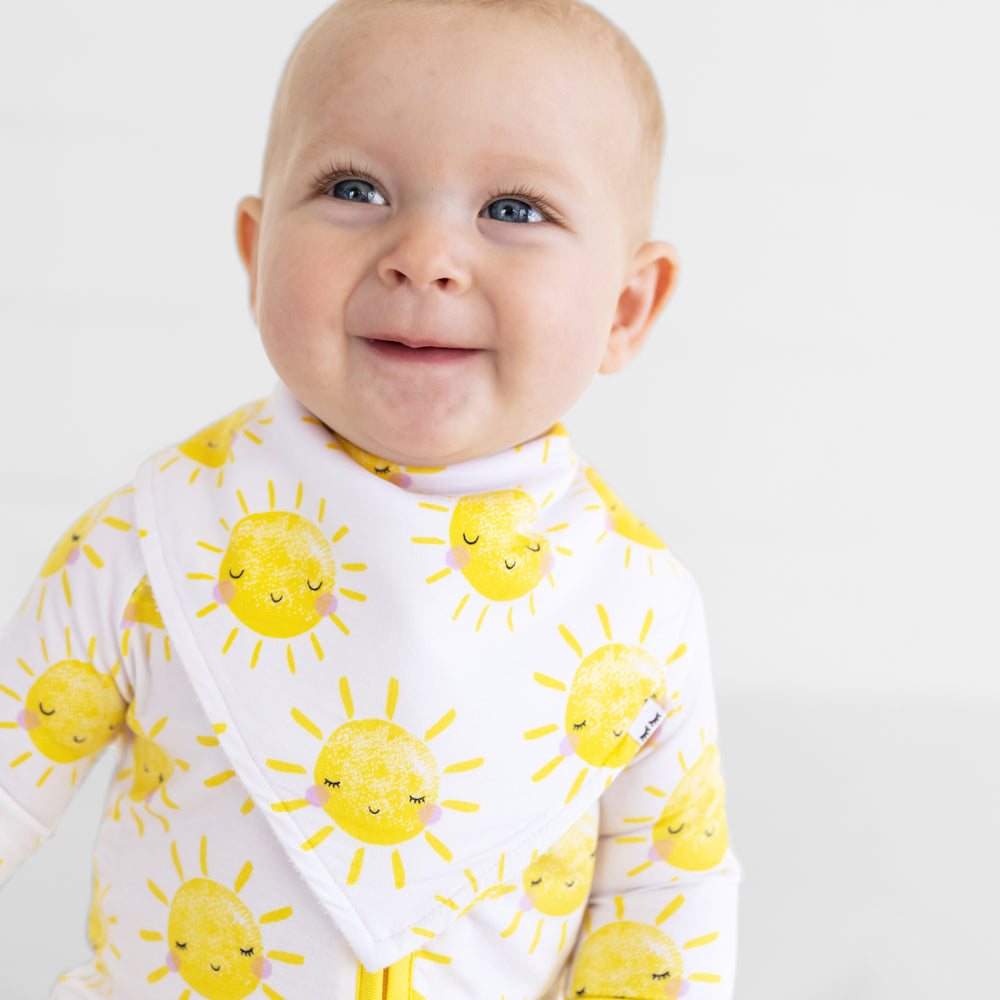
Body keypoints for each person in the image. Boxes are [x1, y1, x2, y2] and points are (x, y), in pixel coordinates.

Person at [0, 1, 739, 996]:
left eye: (512, 209)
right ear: (257, 255)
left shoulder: (633, 609)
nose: (424, 254)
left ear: (624, 308)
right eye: (355, 187)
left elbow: (661, 908)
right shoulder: (155, 539)